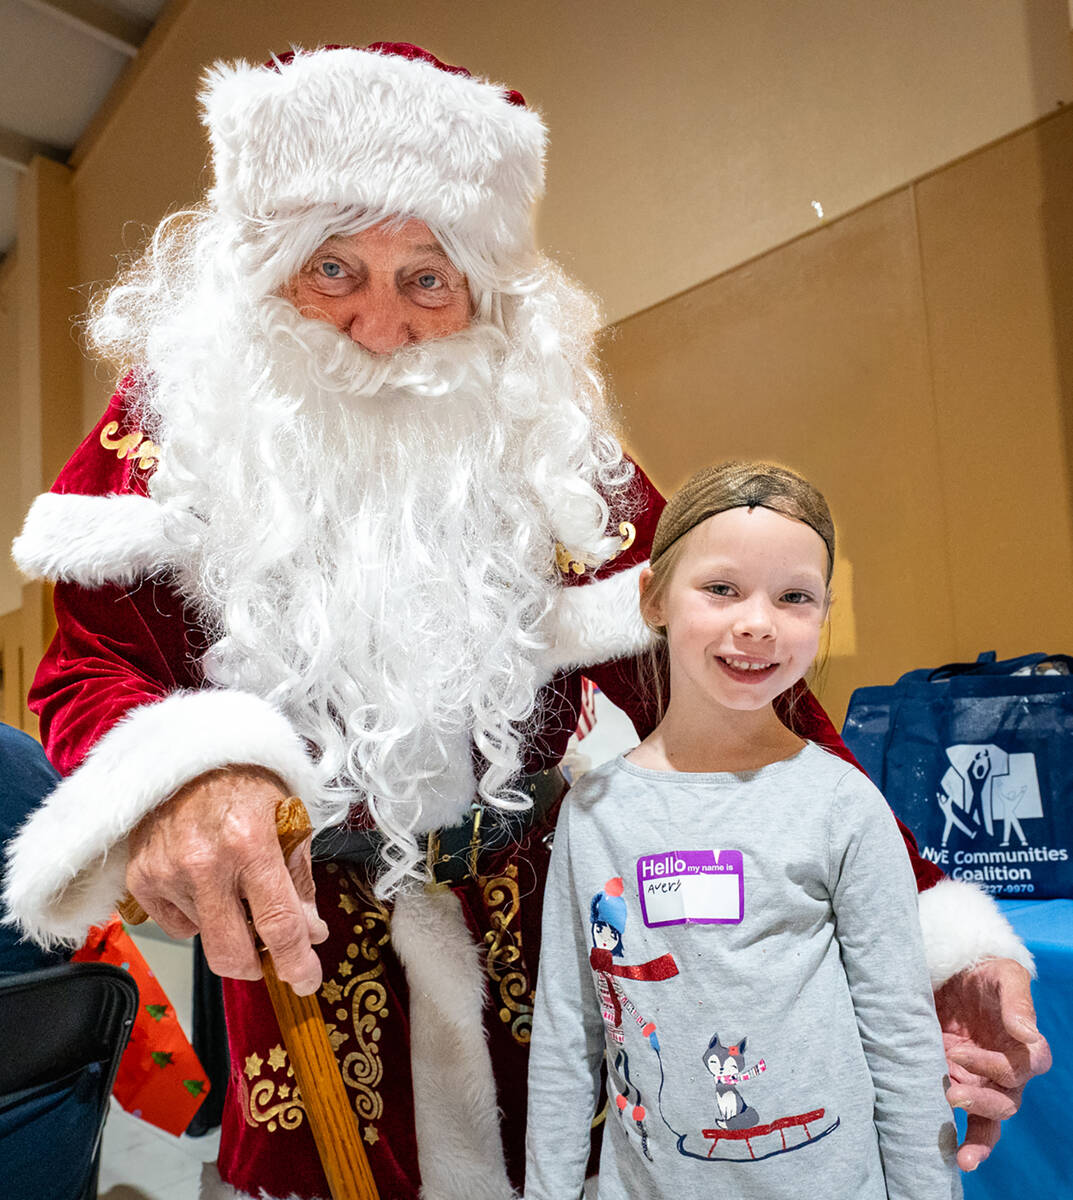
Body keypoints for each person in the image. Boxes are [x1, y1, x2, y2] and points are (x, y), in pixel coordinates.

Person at [1, 43, 1047, 1200]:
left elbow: (753, 701)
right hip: (308, 966)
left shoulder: (556, 462)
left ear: (486, 298)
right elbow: (90, 666)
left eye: (427, 280)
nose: (380, 328)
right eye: (333, 269)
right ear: (261, 273)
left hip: (551, 946)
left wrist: (920, 940)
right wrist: (181, 778)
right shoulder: (175, 438)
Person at [526, 462, 961, 1198]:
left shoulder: (841, 805)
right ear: (653, 598)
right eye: (721, 588)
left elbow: (901, 1041)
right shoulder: (594, 810)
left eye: (794, 597)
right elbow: (569, 1037)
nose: (756, 622)